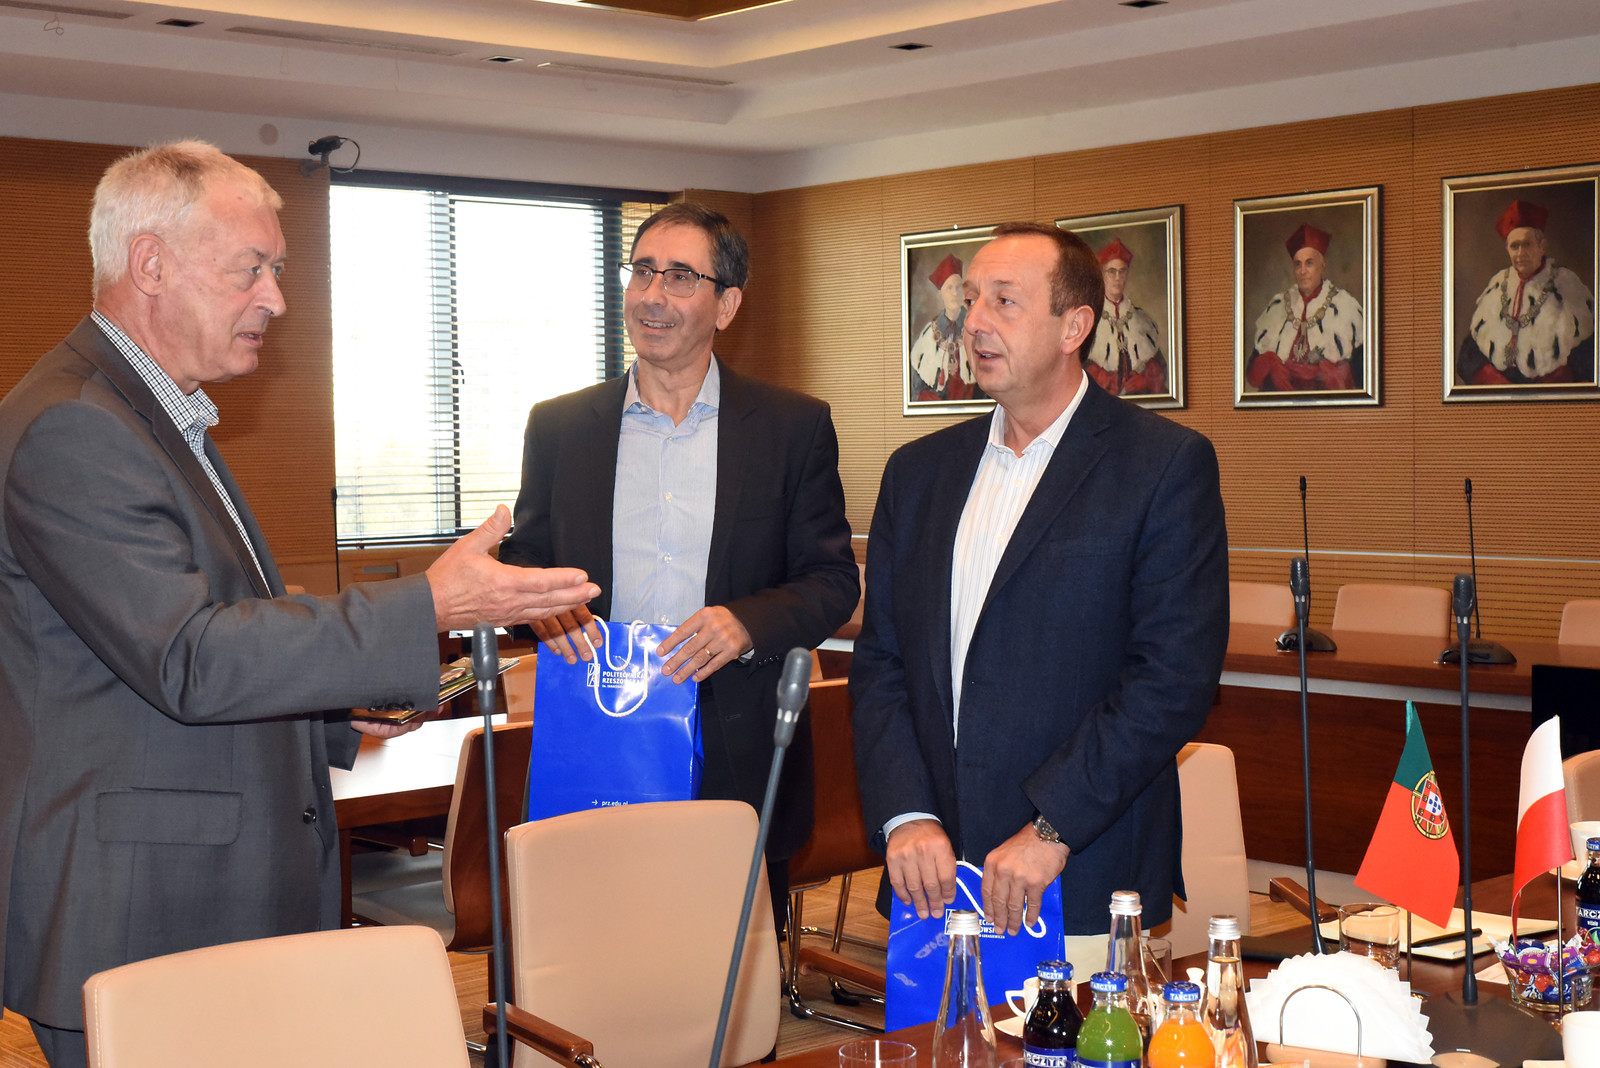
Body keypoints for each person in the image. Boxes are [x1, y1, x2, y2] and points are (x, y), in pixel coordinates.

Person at [0, 141, 599, 1068]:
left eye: (276, 270)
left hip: (194, 887)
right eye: (252, 269)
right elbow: (189, 657)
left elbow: (174, 646)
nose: (277, 299)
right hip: (142, 904)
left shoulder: (155, 414)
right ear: (149, 264)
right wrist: (425, 606)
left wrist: (338, 705)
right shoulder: (78, 426)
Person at [850, 221, 1228, 977]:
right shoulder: (918, 473)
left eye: (1005, 301)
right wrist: (906, 814)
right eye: (971, 300)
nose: (974, 321)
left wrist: (1052, 829)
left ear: (1074, 327)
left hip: (1077, 876)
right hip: (931, 877)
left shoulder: (1162, 466)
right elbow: (883, 662)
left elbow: (1170, 680)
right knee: (940, 1045)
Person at [498, 202, 859, 922]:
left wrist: (747, 624)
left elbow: (831, 581)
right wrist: (538, 602)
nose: (652, 295)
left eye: (680, 277)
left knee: (727, 975)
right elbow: (528, 559)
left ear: (727, 305)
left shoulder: (791, 428)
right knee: (590, 951)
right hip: (597, 735)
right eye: (642, 271)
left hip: (737, 743)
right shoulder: (560, 427)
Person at [1456, 199, 1595, 386]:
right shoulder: (1497, 284)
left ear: (1542, 246)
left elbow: (1589, 353)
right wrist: (1495, 383)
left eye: (1527, 244)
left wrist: (1553, 384)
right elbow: (1468, 356)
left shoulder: (1566, 285)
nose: (1520, 253)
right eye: (1514, 246)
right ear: (1507, 250)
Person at [1246, 223, 1364, 392]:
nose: (1302, 271)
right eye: (1297, 264)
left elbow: (1362, 377)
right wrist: (1270, 364)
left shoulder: (1345, 306)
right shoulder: (1278, 306)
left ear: (1322, 265)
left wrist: (1325, 372)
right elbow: (1252, 374)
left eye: (1309, 263)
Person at [1084, 237, 1166, 397]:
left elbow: (1160, 370)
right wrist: (1102, 379)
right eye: (1111, 271)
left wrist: (1145, 379)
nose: (1117, 278)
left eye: (1122, 271)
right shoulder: (1089, 319)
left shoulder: (1143, 319)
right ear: (1102, 275)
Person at [910, 253, 979, 401]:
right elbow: (919, 385)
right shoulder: (929, 333)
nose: (954, 293)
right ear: (941, 293)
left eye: (958, 287)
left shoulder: (975, 327)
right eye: (949, 288)